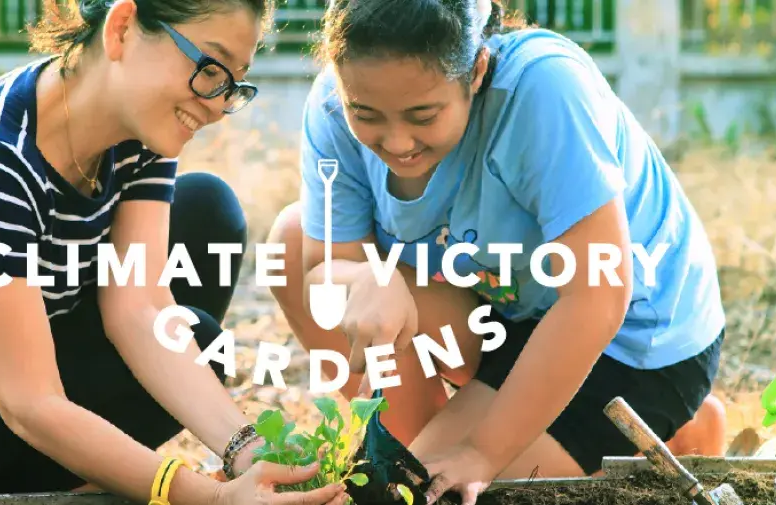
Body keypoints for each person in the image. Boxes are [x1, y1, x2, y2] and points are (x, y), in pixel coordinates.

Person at [0, 1, 347, 504]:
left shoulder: (139, 131)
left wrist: (246, 449)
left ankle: (78, 466)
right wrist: (205, 497)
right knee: (194, 339)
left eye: (234, 84)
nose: (219, 104)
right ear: (122, 28)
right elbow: (29, 401)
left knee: (205, 218)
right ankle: (65, 474)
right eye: (211, 69)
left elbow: (139, 309)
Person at [266, 0, 729, 502]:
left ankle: (667, 430)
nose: (397, 142)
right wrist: (362, 279)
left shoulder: (545, 89)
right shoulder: (334, 106)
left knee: (444, 487)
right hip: (503, 308)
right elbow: (320, 268)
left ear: (477, 71)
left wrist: (482, 453)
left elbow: (598, 296)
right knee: (294, 241)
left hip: (628, 338)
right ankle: (424, 442)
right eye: (367, 113)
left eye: (423, 114)